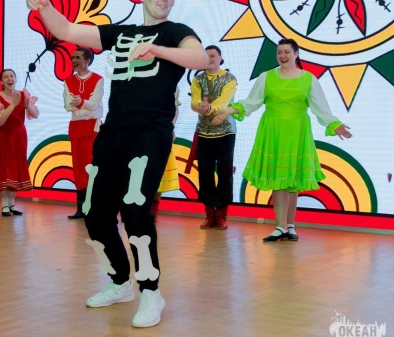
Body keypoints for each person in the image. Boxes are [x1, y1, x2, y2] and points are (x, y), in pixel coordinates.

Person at [27, 0, 208, 328]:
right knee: (94, 212)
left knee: (136, 208)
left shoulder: (176, 33)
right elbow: (66, 31)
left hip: (151, 132)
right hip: (113, 132)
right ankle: (120, 281)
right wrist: (44, 7)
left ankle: (151, 291)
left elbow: (200, 58)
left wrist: (157, 49)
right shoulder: (120, 33)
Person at [213, 38, 352, 242]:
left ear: (296, 54)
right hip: (273, 131)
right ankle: (280, 227)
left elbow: (320, 107)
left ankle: (290, 226)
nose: (283, 56)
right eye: (279, 52)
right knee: (279, 181)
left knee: (292, 182)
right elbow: (252, 102)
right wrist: (229, 110)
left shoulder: (309, 79)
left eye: (287, 52)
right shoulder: (266, 77)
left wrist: (334, 124)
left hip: (297, 132)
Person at [190, 45, 237, 230]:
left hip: (226, 131)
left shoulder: (229, 78)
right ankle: (209, 215)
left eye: (212, 55)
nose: (209, 59)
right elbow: (194, 101)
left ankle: (222, 215)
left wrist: (208, 108)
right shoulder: (198, 79)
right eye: (206, 56)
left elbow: (224, 102)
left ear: (220, 58)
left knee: (225, 173)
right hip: (204, 132)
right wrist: (198, 106)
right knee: (205, 173)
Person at [0, 68, 39, 216]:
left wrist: (28, 105)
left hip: (19, 137)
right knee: (4, 167)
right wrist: (13, 105)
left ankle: (12, 204)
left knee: (15, 167)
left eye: (12, 76)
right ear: (1, 81)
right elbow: (0, 120)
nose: (9, 79)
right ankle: (4, 205)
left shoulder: (23, 95)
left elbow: (35, 115)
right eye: (6, 77)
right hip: (3, 137)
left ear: (15, 79)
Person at [63, 48, 104, 219]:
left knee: (92, 167)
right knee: (79, 167)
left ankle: (95, 208)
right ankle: (81, 208)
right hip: (76, 128)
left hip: (92, 128)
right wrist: (83, 107)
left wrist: (80, 103)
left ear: (87, 60)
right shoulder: (68, 81)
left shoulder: (98, 79)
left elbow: (94, 104)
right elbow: (67, 105)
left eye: (78, 57)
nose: (74, 60)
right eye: (73, 57)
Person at [150, 90, 180, 221]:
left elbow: (175, 108)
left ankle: (153, 209)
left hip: (163, 132)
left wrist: (170, 127)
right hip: (141, 131)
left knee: (160, 172)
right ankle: (136, 209)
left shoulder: (171, 83)